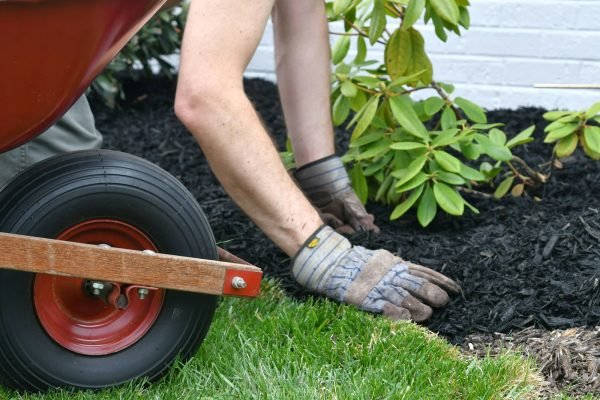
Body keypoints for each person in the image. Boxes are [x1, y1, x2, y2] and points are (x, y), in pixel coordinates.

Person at [0, 0, 460, 322]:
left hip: (30, 33)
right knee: (49, 233)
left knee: (67, 198)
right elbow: (205, 96)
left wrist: (320, 174)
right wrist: (324, 254)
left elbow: (300, 19)